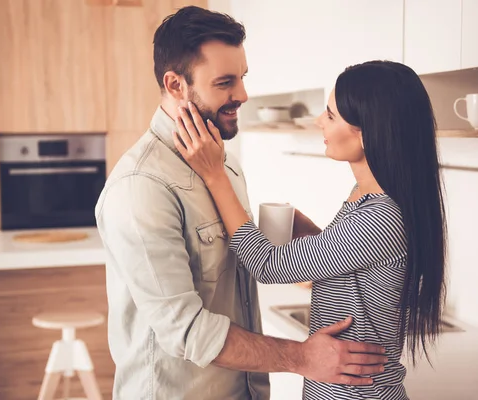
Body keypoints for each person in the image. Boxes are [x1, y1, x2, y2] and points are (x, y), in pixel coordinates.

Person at [95, 7, 387, 399]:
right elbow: (187, 331)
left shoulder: (223, 163)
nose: (243, 95)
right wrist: (302, 358)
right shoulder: (140, 187)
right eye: (225, 82)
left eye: (243, 77)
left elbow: (245, 266)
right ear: (176, 84)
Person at [174, 60, 447, 399]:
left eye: (330, 115)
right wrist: (316, 238)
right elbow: (360, 268)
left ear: (367, 132)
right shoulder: (367, 198)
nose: (320, 121)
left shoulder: (381, 215)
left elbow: (267, 265)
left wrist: (214, 174)